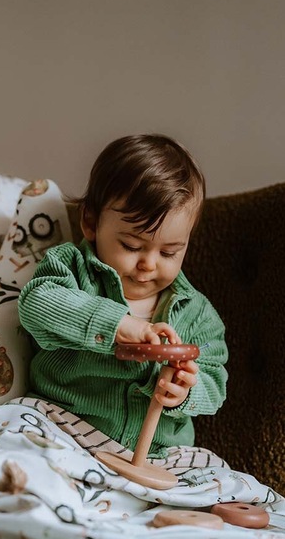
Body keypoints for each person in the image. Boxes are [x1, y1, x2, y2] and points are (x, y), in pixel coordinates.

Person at [18, 134, 228, 459]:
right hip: (63, 431)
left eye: (170, 252)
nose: (148, 264)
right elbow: (37, 303)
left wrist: (186, 391)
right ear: (90, 222)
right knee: (10, 439)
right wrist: (117, 323)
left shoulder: (198, 313)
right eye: (131, 246)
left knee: (229, 484)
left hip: (158, 454)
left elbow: (215, 379)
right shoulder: (72, 269)